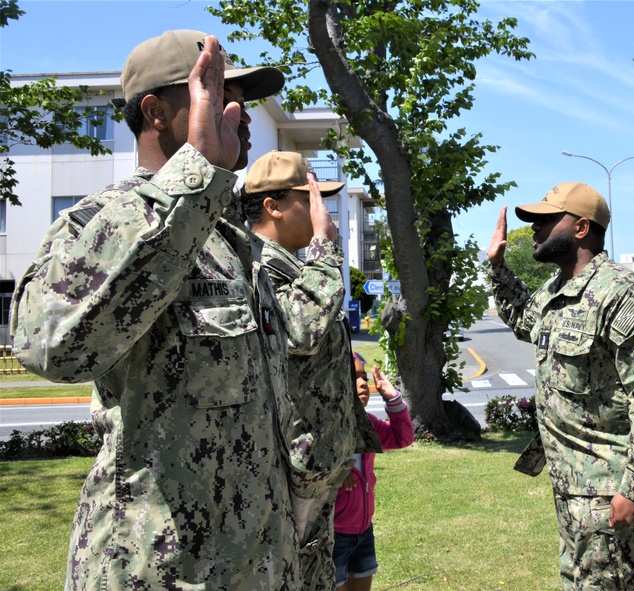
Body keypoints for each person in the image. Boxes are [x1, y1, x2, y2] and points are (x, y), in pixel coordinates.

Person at [9, 30, 300, 589]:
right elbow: (50, 345)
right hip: (155, 568)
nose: (241, 114)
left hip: (259, 564)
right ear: (157, 112)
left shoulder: (235, 244)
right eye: (217, 93)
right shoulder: (101, 220)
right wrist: (192, 179)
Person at [485, 183, 634, 591]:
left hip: (609, 490)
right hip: (570, 486)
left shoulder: (623, 293)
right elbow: (525, 318)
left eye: (545, 219)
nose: (535, 229)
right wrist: (498, 267)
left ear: (580, 228)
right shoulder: (555, 291)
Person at [240, 150, 382, 589]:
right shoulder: (255, 267)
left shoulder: (296, 267)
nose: (324, 209)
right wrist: (325, 250)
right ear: (273, 205)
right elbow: (299, 333)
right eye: (312, 198)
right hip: (285, 470)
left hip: (316, 468)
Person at [331, 352, 415, 591]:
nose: (362, 384)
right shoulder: (324, 427)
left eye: (364, 377)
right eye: (354, 377)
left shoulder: (366, 423)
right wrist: (333, 471)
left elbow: (402, 438)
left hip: (364, 531)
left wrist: (393, 400)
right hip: (334, 535)